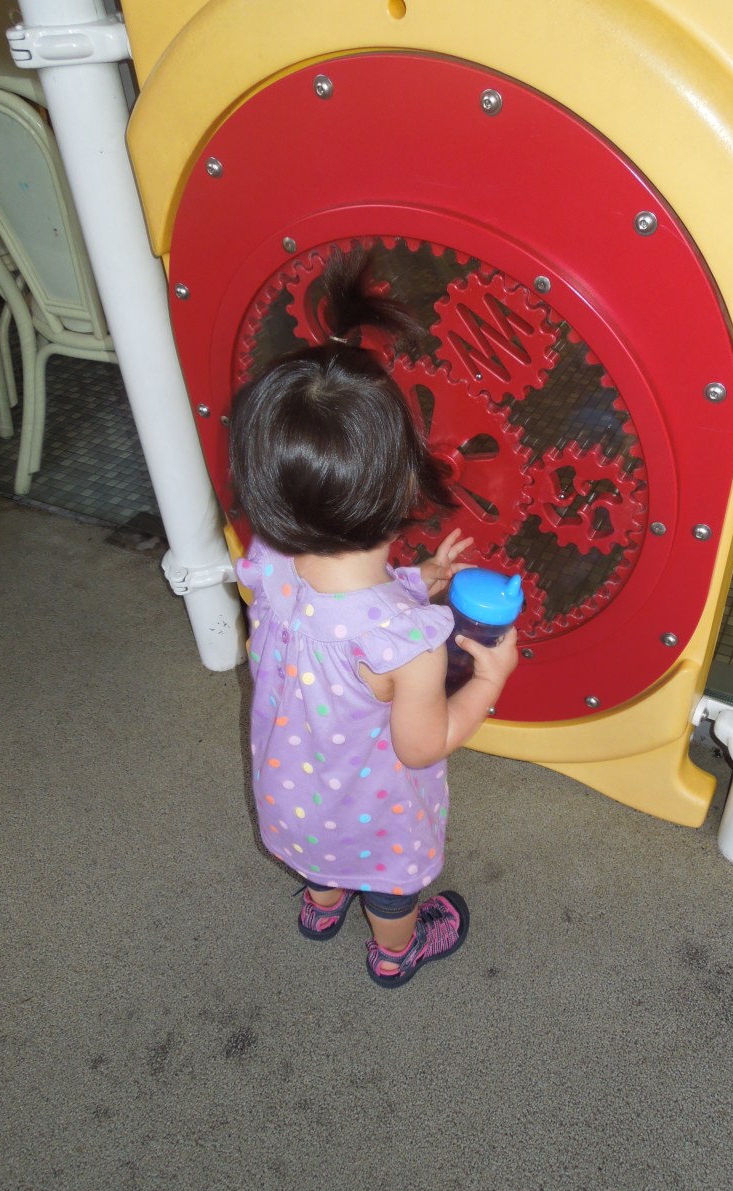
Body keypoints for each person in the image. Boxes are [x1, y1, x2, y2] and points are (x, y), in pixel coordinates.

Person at [229, 246, 519, 988]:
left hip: (292, 803)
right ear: (406, 484)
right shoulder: (410, 645)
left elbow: (337, 611)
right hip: (374, 821)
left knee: (323, 865)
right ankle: (395, 951)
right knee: (391, 889)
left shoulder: (267, 565)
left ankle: (321, 905)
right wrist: (489, 681)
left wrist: (416, 581)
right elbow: (424, 746)